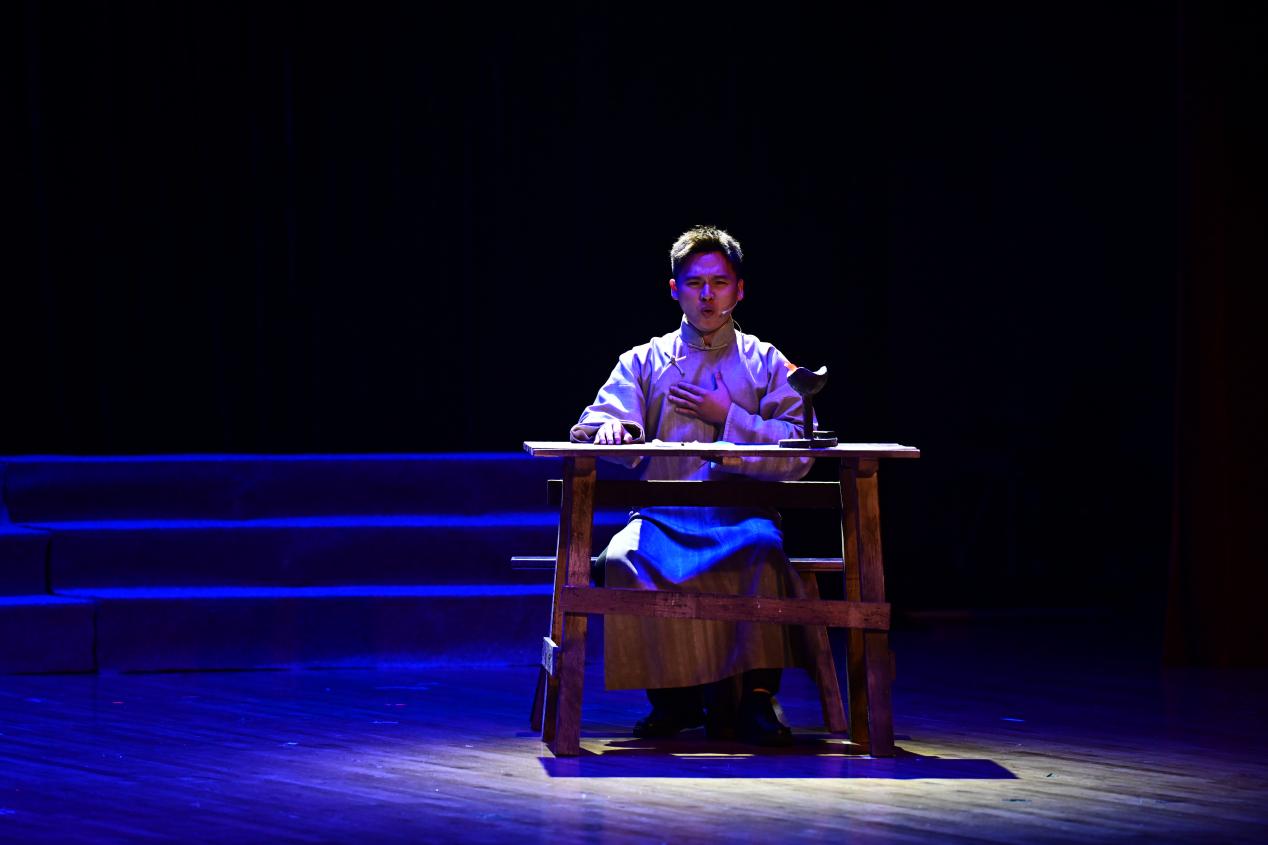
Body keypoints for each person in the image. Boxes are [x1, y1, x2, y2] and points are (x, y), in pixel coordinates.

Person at [569, 225, 815, 745]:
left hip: (740, 514)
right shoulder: (644, 359)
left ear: (739, 290)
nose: (707, 295)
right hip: (663, 515)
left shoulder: (766, 361)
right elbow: (600, 420)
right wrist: (617, 429)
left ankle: (756, 699)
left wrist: (729, 418)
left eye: (719, 283)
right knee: (625, 558)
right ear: (674, 289)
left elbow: (799, 449)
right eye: (695, 283)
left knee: (763, 551)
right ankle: (672, 698)